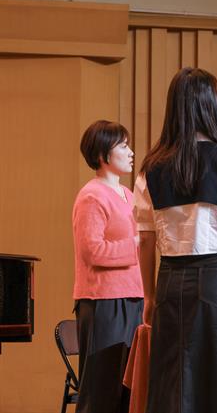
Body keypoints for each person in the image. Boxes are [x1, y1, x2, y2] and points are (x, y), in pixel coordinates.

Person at [134, 67, 217, 413]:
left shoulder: (150, 168)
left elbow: (144, 241)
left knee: (173, 381)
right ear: (210, 107)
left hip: (170, 279)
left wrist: (149, 296)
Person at [72, 120, 144, 413]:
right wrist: (137, 244)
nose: (131, 152)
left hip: (133, 298)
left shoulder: (128, 195)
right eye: (123, 146)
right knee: (102, 391)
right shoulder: (92, 196)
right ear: (103, 154)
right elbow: (93, 251)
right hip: (104, 301)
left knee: (128, 391)